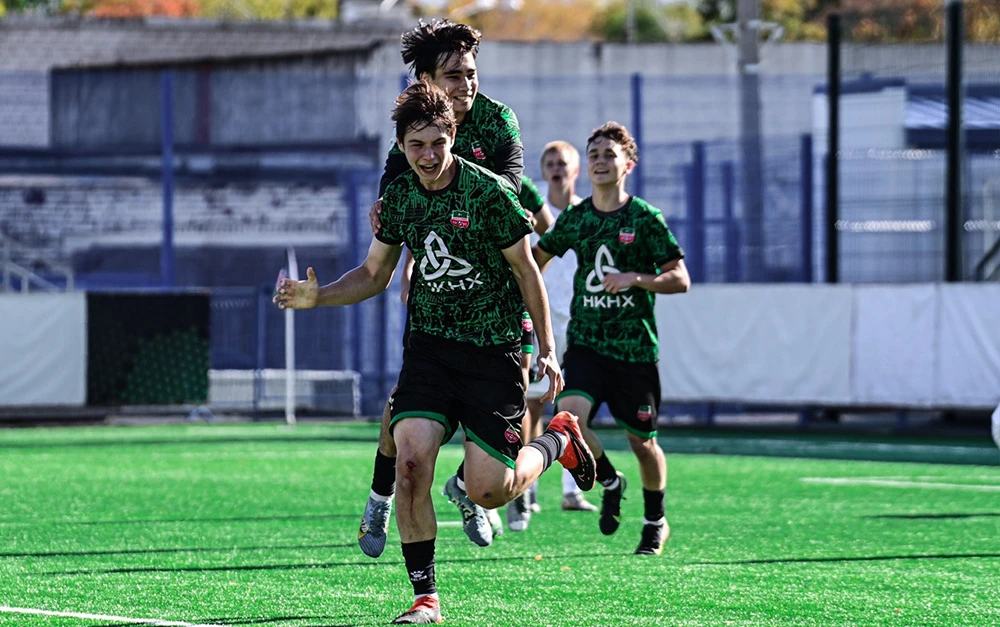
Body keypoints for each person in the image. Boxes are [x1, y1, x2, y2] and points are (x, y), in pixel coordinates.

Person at [276, 82, 596, 624]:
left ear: (453, 136)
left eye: (437, 143)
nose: (427, 156)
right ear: (401, 145)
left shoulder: (489, 193)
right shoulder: (401, 197)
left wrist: (546, 347)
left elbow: (526, 271)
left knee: (490, 491)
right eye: (416, 145)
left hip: (493, 354)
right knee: (411, 464)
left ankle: (558, 439)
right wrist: (320, 295)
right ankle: (425, 598)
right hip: (430, 351)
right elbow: (374, 273)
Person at [359, 19, 529, 559]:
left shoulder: (498, 120)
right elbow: (399, 197)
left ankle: (475, 488)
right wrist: (409, 253)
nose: (466, 84)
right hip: (438, 299)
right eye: (453, 75)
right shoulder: (415, 126)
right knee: (403, 414)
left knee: (511, 393)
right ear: (427, 81)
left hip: (497, 296)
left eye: (471, 73)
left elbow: (508, 191)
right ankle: (381, 495)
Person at [532, 121, 690, 556]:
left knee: (643, 443)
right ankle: (609, 481)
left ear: (628, 165)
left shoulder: (644, 218)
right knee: (569, 419)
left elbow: (680, 278)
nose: (600, 162)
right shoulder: (577, 218)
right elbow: (535, 259)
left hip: (634, 350)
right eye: (594, 155)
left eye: (609, 155)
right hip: (586, 343)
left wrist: (636, 278)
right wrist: (520, 298)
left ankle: (655, 521)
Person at [506, 142, 596, 533]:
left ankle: (572, 489)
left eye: (564, 163)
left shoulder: (587, 214)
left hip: (576, 321)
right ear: (542, 171)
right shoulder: (531, 213)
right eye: (550, 163)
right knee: (531, 405)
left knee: (573, 406)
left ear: (576, 170)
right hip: (540, 318)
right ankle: (527, 486)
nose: (557, 169)